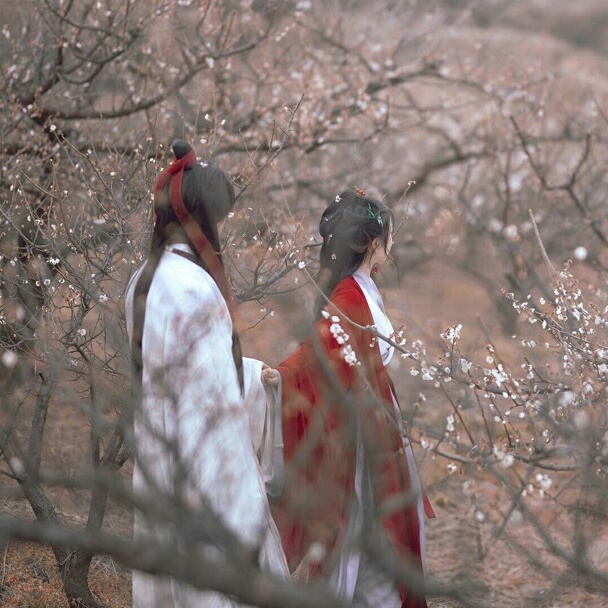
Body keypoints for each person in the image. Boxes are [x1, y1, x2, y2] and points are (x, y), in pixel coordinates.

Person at [125, 140, 287, 608]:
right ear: (204, 219)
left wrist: (254, 378)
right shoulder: (194, 288)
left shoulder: (144, 278)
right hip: (203, 461)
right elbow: (210, 404)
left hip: (159, 450)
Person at [261, 189, 434, 608]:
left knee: (379, 531)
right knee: (363, 531)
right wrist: (283, 376)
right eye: (388, 238)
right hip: (361, 434)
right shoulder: (349, 296)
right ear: (375, 243)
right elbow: (319, 350)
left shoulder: (364, 288)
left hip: (378, 422)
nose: (390, 246)